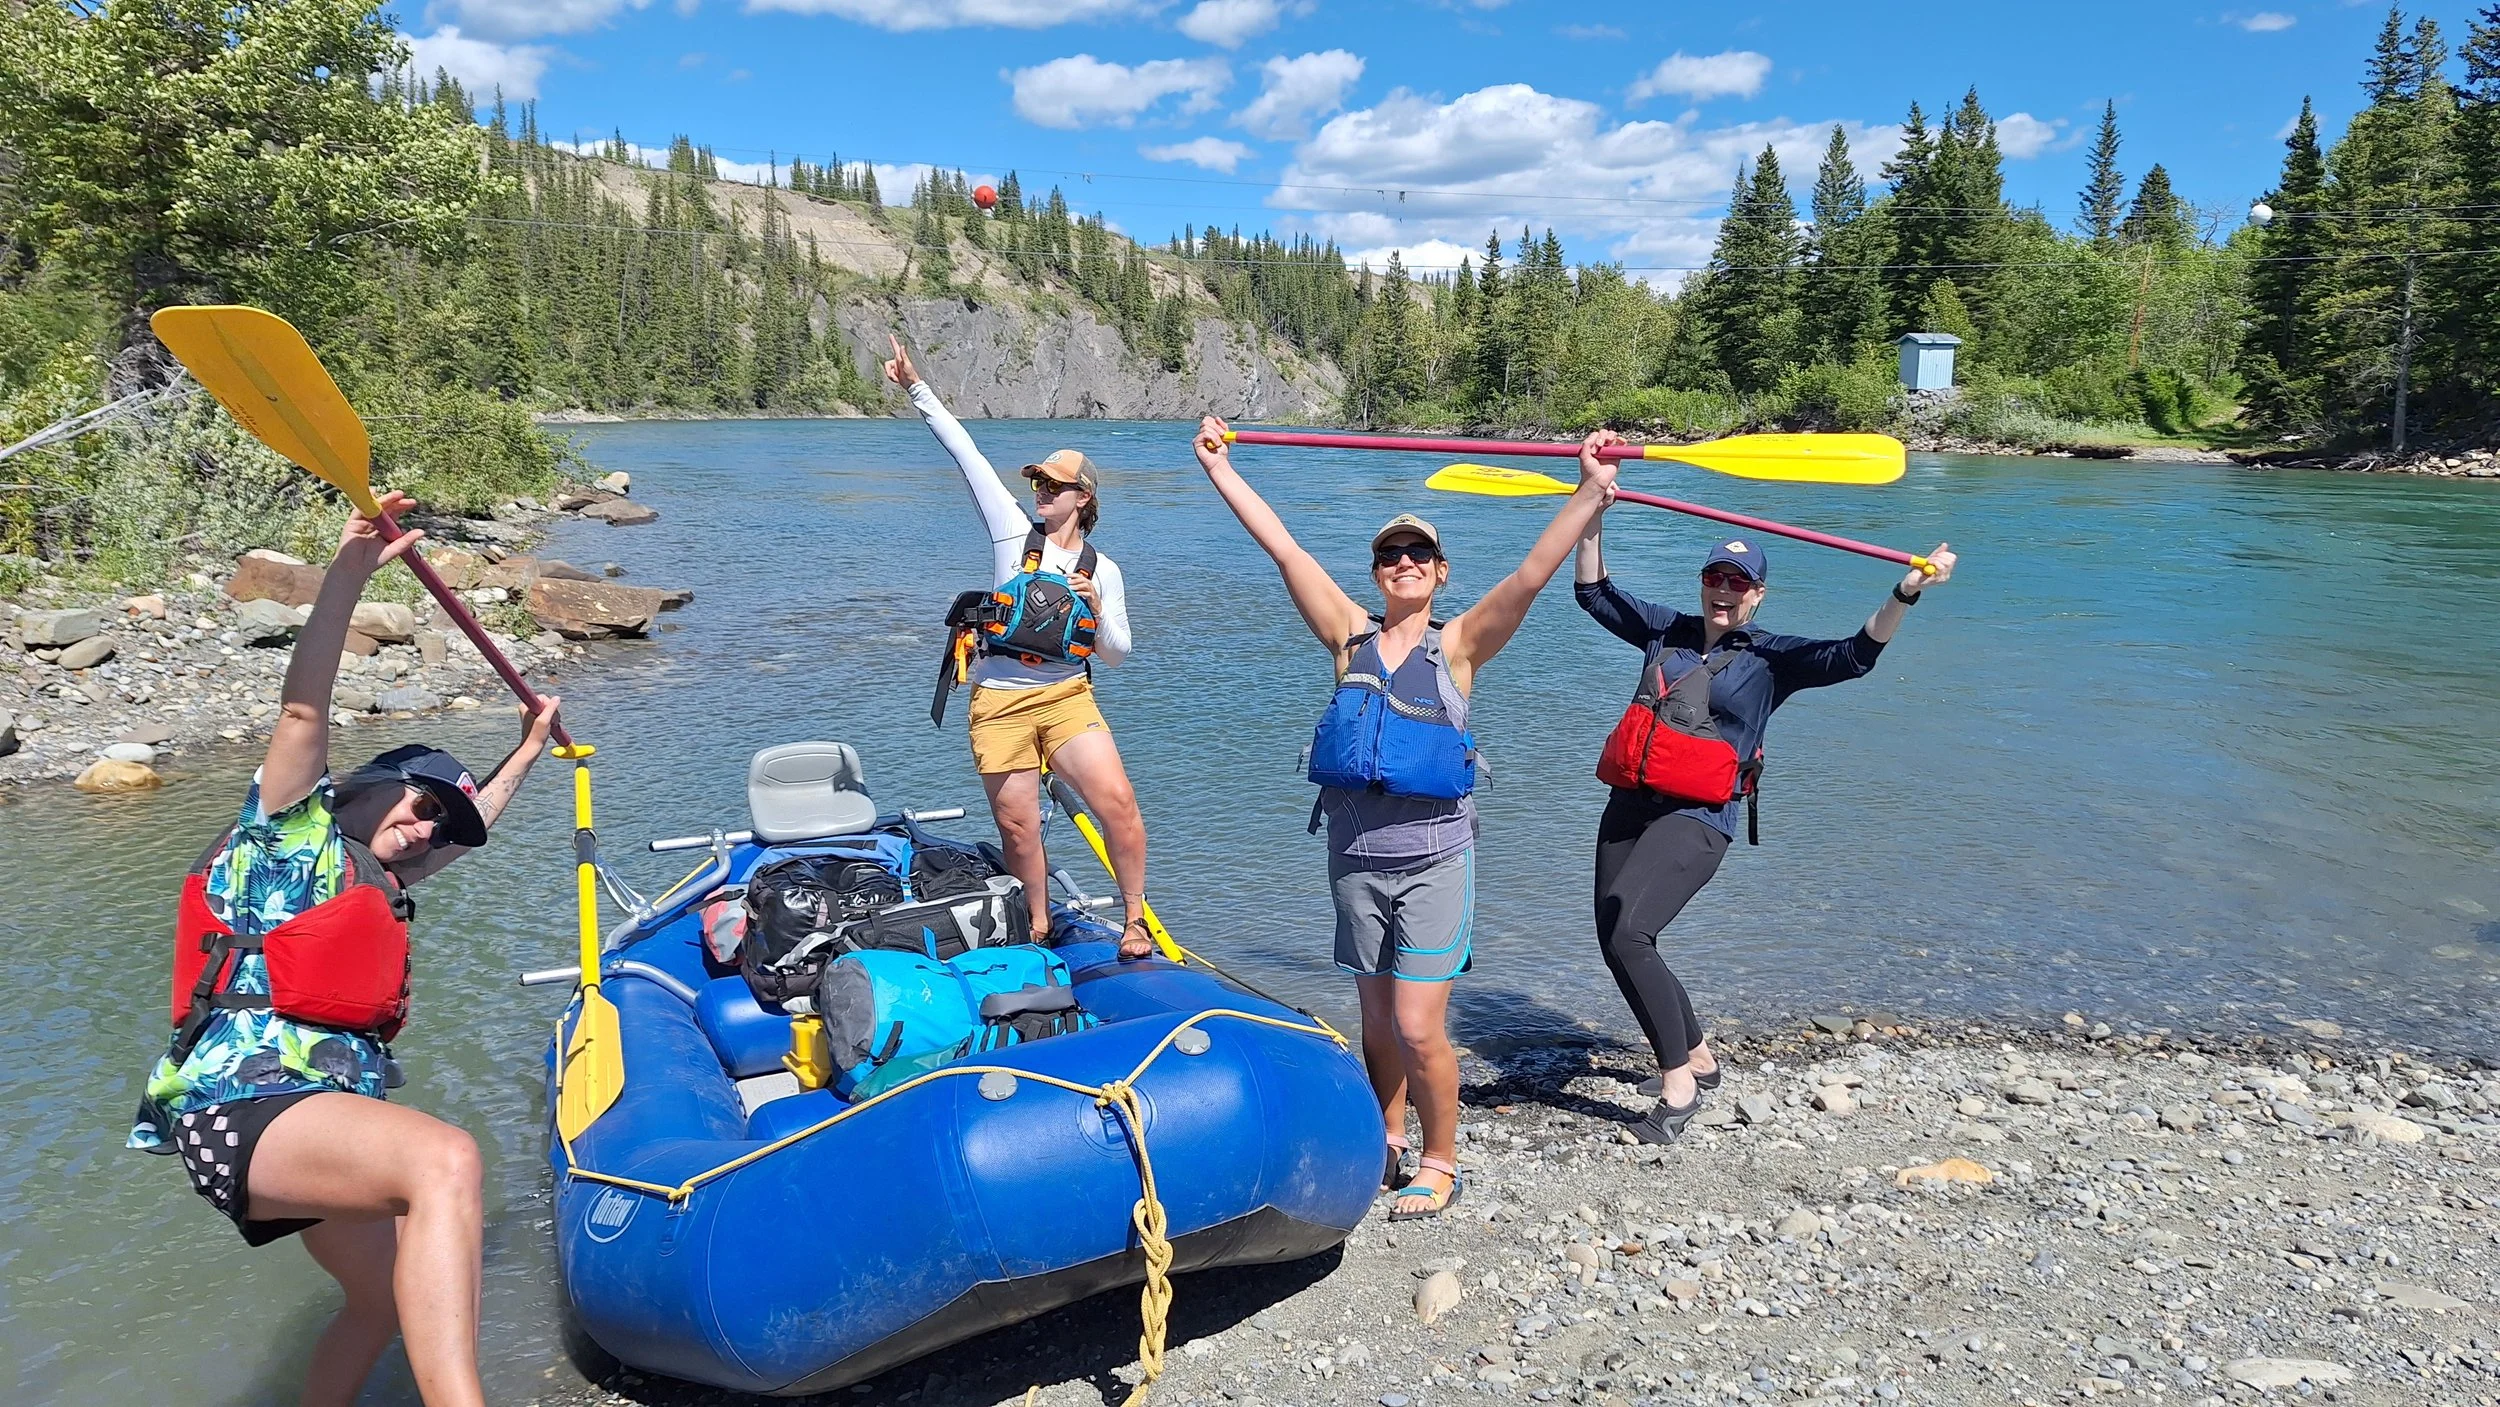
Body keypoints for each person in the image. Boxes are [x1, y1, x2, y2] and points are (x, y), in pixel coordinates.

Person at [130, 490, 560, 1407]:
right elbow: (300, 713)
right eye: (417, 799)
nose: (425, 823)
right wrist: (352, 570)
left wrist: (527, 749)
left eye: (439, 818)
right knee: (444, 1160)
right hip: (245, 1103)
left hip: (310, 1115)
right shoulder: (288, 835)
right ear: (372, 785)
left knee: (381, 1299)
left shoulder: (380, 879)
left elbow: (469, 822)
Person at [1193, 414, 1618, 1220]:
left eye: (1418, 553)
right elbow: (1283, 547)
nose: (1404, 563)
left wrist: (1589, 489)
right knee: (1377, 1019)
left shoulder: (1457, 649)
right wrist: (1221, 469)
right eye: (1391, 554)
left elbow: (1531, 574)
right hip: (1354, 860)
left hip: (1432, 863)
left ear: (1441, 572)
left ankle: (1441, 1157)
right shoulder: (1347, 636)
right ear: (1378, 571)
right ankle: (1385, 1134)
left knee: (1421, 1025)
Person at [1574, 500, 1955, 1143]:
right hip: (1632, 803)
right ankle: (1697, 1054)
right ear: (1703, 582)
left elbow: (1856, 655)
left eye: (1739, 583)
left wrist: (1905, 591)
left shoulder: (1772, 658)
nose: (1725, 591)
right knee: (1614, 935)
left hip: (1701, 813)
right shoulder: (1666, 630)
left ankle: (1677, 1084)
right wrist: (1593, 506)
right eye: (1716, 578)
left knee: (1631, 932)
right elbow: (1593, 591)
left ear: (1758, 595)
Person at [883, 336, 1155, 959]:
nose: (1041, 491)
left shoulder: (1101, 568)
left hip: (1065, 696)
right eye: (1038, 482)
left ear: (1082, 498)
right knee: (1018, 825)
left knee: (1119, 805)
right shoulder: (1011, 532)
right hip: (999, 699)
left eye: (1055, 486)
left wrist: (1090, 604)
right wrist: (915, 388)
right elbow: (966, 452)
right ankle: (1036, 926)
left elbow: (1116, 653)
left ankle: (1134, 921)